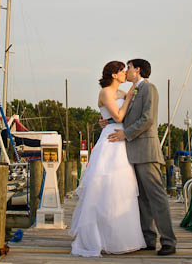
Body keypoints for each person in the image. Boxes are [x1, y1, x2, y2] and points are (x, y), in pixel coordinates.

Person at [69, 61, 147, 257]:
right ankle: (98, 237)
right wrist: (128, 98)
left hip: (121, 138)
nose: (124, 74)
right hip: (112, 139)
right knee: (104, 185)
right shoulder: (106, 92)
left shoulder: (120, 93)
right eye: (122, 71)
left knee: (121, 186)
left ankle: (121, 237)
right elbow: (119, 116)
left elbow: (121, 116)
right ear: (114, 74)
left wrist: (115, 111)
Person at [106, 58, 177, 255]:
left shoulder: (149, 88)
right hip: (133, 153)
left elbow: (148, 119)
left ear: (137, 70)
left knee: (156, 196)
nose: (126, 71)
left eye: (128, 68)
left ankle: (169, 241)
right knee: (142, 198)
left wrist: (125, 134)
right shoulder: (134, 92)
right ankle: (148, 239)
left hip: (146, 151)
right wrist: (107, 121)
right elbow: (124, 116)